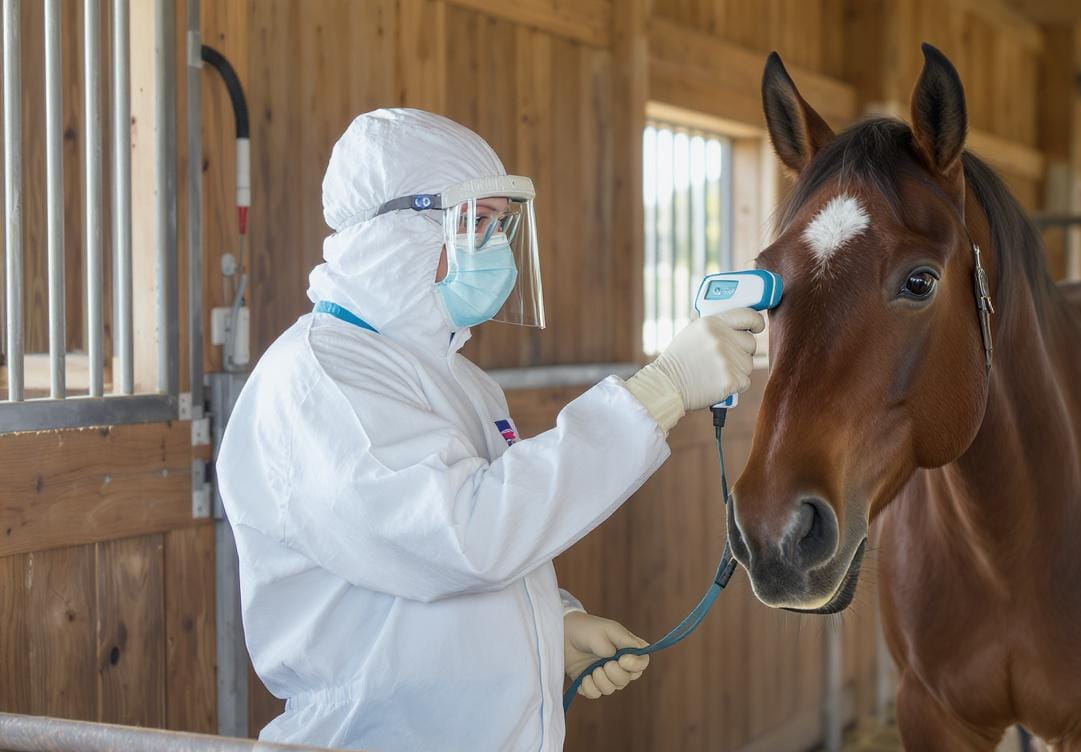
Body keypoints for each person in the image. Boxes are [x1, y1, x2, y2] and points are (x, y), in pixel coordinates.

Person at [215, 108, 765, 751]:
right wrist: (659, 390)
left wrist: (554, 625)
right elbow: (462, 538)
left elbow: (481, 551)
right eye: (473, 221)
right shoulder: (323, 379)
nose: (494, 245)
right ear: (393, 230)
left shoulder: (458, 379)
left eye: (498, 224)